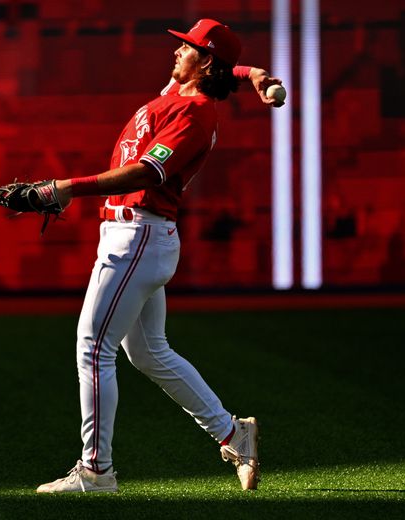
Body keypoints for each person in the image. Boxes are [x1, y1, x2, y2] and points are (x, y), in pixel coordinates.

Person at [34, 19, 283, 493]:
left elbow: (145, 174)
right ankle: (233, 433)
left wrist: (66, 188)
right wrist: (255, 76)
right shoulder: (178, 91)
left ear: (204, 61)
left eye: (187, 48)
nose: (177, 52)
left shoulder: (195, 112)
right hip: (134, 237)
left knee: (93, 348)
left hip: (139, 236)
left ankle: (96, 471)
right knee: (147, 351)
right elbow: (227, 71)